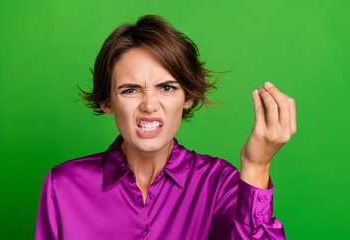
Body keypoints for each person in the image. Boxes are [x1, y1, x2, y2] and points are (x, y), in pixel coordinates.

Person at [35, 14, 296, 239]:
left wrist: (256, 166)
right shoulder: (63, 187)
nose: (149, 105)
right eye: (130, 90)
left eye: (167, 87)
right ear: (107, 101)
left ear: (189, 96)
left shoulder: (218, 185)